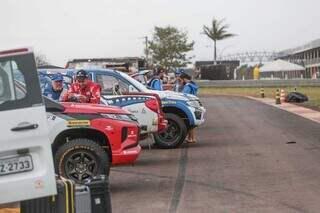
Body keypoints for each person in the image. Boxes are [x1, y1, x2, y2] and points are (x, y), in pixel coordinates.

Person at [180, 72, 199, 143]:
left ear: (184, 79)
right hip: (194, 104)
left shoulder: (187, 86)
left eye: (181, 80)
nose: (180, 82)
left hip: (189, 105)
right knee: (191, 123)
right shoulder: (193, 84)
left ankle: (191, 138)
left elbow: (184, 95)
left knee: (188, 123)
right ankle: (191, 138)